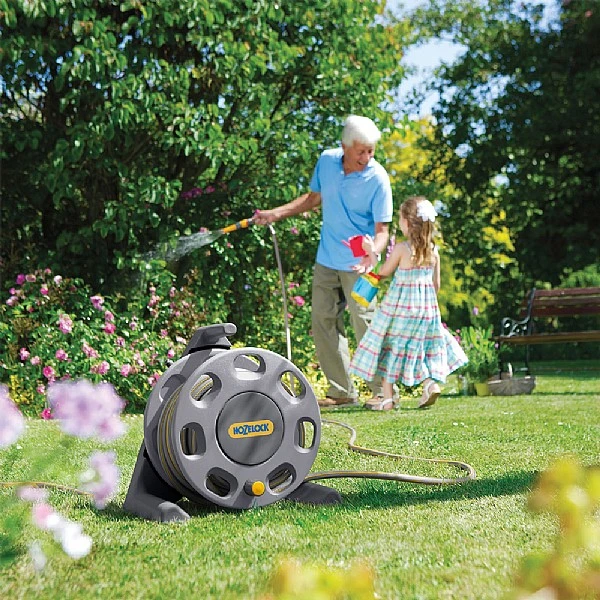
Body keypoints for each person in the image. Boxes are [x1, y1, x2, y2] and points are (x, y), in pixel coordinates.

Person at [253, 115, 393, 407]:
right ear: (345, 146)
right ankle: (342, 392)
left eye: (371, 151)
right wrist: (275, 214)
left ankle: (383, 392)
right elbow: (312, 199)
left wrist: (372, 253)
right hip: (327, 259)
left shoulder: (378, 178)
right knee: (323, 320)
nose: (366, 157)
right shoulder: (327, 162)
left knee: (366, 321)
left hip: (363, 265)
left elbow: (382, 231)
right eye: (361, 151)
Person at [349, 196, 468, 410]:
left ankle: (387, 398)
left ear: (407, 223)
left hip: (401, 310)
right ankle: (430, 384)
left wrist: (370, 250)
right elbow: (436, 285)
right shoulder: (433, 251)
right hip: (426, 311)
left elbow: (382, 272)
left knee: (389, 345)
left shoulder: (402, 249)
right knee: (419, 348)